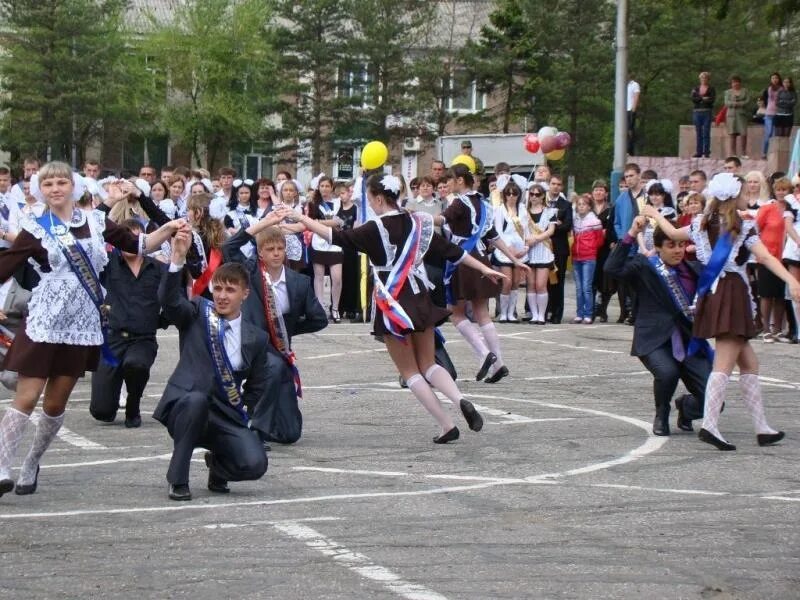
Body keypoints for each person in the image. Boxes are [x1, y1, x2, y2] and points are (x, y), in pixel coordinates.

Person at [0, 161, 184, 497]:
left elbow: (140, 245)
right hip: (44, 320)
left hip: (81, 324)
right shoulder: (35, 227)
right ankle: (1, 465)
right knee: (27, 397)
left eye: (61, 182)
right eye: (49, 184)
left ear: (73, 187)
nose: (56, 189)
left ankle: (31, 462)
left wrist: (169, 228)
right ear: (42, 189)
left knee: (55, 405)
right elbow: (7, 264)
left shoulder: (97, 222)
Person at [288, 173, 507, 442]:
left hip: (393, 304)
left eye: (370, 199)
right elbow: (451, 250)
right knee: (429, 363)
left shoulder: (373, 228)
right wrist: (486, 267)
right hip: (420, 297)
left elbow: (337, 237)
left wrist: (302, 219)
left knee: (410, 371)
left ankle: (446, 424)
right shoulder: (418, 222)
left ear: (379, 198)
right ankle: (460, 398)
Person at [644, 172, 797, 451]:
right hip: (731, 294)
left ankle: (761, 428)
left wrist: (654, 212)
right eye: (742, 191)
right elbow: (763, 257)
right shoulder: (739, 226)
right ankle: (710, 426)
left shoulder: (701, 223)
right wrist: (792, 280)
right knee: (723, 365)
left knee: (749, 364)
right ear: (734, 195)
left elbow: (674, 233)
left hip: (714, 293)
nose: (746, 196)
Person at [155, 241, 269, 501]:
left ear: (245, 293)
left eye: (230, 290)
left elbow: (258, 385)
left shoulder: (257, 338)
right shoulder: (197, 311)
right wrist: (177, 261)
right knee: (195, 402)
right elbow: (171, 303)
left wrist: (243, 410)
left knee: (255, 464)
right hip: (186, 406)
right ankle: (178, 479)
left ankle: (218, 466)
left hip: (226, 412)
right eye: (217, 288)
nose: (222, 295)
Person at [223, 219, 327, 444]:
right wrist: (263, 224)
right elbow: (228, 248)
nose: (276, 253)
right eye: (270, 249)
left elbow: (318, 319)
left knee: (290, 434)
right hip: (251, 344)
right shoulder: (249, 272)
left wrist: (287, 330)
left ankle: (254, 408)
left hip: (279, 347)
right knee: (274, 366)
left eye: (280, 248)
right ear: (260, 252)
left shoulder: (299, 281)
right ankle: (255, 428)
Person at [605, 217, 708, 435]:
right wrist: (632, 232)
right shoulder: (645, 267)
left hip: (689, 341)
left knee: (713, 398)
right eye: (671, 245)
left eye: (681, 244)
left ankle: (686, 408)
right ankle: (662, 413)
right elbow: (612, 268)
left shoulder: (695, 269)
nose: (678, 250)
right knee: (667, 373)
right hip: (655, 339)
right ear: (658, 247)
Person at [437, 165, 529, 383]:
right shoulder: (483, 203)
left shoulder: (459, 202)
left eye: (450, 180)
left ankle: (483, 352)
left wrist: (417, 218)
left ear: (460, 181)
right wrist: (515, 259)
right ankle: (499, 363)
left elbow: (442, 220)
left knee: (456, 312)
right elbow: (493, 236)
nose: (447, 185)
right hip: (481, 259)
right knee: (481, 312)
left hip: (462, 259)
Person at [89, 219, 167, 428]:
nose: (132, 244)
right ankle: (112, 388)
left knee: (136, 365)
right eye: (127, 239)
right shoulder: (106, 264)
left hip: (142, 339)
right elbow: (92, 228)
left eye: (137, 240)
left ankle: (133, 403)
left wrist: (158, 321)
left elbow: (173, 299)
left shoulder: (159, 269)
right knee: (102, 412)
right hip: (112, 339)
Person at [755, 177, 793, 342]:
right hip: (768, 255)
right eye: (778, 189)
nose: (781, 193)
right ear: (774, 191)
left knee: (780, 294)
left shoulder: (794, 210)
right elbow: (756, 228)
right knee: (766, 294)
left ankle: (777, 329)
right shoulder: (767, 208)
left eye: (784, 190)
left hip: (787, 255)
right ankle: (765, 330)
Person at [306, 175, 344, 322]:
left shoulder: (338, 202)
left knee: (337, 278)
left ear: (332, 188)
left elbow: (339, 223)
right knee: (319, 277)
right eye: (322, 186)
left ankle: (335, 308)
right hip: (318, 242)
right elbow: (311, 222)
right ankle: (321, 307)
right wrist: (330, 222)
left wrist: (321, 222)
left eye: (327, 186)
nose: (324, 189)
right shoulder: (313, 204)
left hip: (335, 243)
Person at [493, 178, 527, 323]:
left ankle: (511, 313)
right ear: (505, 195)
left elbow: (526, 231)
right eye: (509, 194)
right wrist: (508, 248)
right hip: (504, 252)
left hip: (520, 251)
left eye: (514, 194)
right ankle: (503, 312)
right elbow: (498, 231)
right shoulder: (500, 210)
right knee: (507, 282)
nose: (512, 197)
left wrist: (526, 247)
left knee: (515, 283)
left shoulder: (523, 210)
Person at [523, 183, 556, 325]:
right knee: (530, 284)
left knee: (540, 284)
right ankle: (534, 314)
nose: (534, 197)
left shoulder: (551, 211)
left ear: (543, 196)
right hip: (529, 251)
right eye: (531, 194)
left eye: (537, 194)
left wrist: (535, 239)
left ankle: (541, 315)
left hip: (543, 250)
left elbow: (551, 230)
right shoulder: (523, 212)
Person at [571, 195, 605, 324]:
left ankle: (588, 314)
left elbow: (599, 240)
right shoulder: (575, 220)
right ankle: (579, 313)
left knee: (586, 286)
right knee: (579, 288)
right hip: (576, 257)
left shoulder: (594, 221)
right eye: (579, 204)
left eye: (584, 204)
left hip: (589, 257)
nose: (581, 207)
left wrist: (590, 248)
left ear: (589, 206)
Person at [544, 174, 573, 324]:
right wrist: (556, 224)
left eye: (559, 184)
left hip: (559, 249)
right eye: (553, 183)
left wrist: (552, 226)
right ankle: (544, 311)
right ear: (549, 184)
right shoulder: (541, 201)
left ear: (561, 187)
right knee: (544, 282)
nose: (556, 186)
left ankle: (557, 313)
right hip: (542, 247)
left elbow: (568, 225)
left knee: (558, 282)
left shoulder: (566, 205)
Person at [591, 180, 615, 322]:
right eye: (596, 190)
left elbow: (612, 227)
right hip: (590, 248)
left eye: (601, 190)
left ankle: (603, 309)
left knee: (605, 279)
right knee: (592, 279)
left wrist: (608, 234)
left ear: (606, 193)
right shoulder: (588, 207)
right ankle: (593, 308)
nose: (598, 192)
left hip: (605, 247)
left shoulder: (611, 208)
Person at [724, 76, 751, 158]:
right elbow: (726, 103)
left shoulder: (745, 91)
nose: (735, 84)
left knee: (743, 133)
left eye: (736, 82)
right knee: (732, 134)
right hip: (731, 115)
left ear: (740, 82)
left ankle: (743, 153)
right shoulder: (728, 92)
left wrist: (740, 104)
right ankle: (733, 154)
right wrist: (733, 104)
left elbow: (747, 101)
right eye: (733, 82)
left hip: (741, 114)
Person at [691, 72, 715, 158]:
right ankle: (699, 151)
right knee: (698, 132)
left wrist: (700, 99)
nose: (704, 80)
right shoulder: (696, 88)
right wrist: (703, 98)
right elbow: (693, 99)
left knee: (706, 132)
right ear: (700, 79)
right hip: (697, 112)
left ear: (708, 79)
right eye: (702, 78)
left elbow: (711, 100)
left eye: (705, 78)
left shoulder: (711, 89)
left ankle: (706, 151)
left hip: (707, 112)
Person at [761, 72, 782, 158]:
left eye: (776, 78)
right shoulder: (768, 89)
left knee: (774, 135)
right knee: (768, 133)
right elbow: (764, 100)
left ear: (779, 79)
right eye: (773, 78)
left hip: (778, 114)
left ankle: (772, 153)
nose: (775, 80)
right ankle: (764, 153)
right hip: (769, 114)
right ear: (771, 80)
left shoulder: (782, 89)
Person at [627, 76, 641, 155]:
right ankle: (625, 149)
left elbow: (636, 97)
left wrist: (633, 110)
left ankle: (630, 150)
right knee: (623, 131)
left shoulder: (634, 84)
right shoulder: (621, 86)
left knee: (630, 130)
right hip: (622, 111)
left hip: (630, 110)